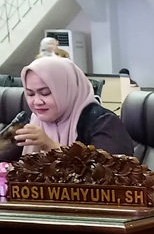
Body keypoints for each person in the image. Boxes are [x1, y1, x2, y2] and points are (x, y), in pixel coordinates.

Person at [3, 57, 133, 160]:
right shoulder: (33, 121)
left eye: (45, 93)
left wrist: (50, 145)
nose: (37, 102)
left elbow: (109, 174)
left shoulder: (103, 123)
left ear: (67, 90)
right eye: (30, 94)